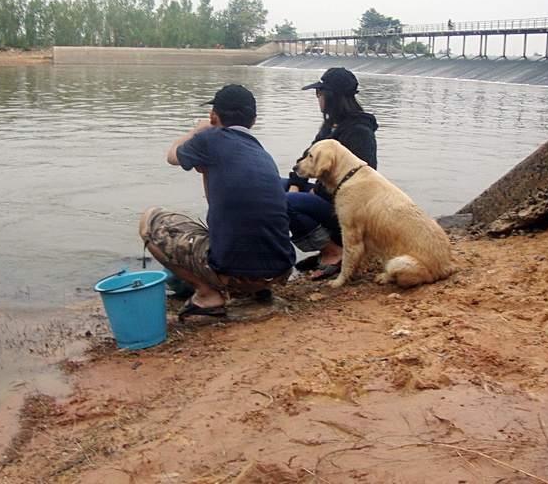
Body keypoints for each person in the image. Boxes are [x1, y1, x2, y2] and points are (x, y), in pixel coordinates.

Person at [140, 84, 296, 320]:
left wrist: (197, 130)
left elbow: (172, 156)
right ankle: (256, 294)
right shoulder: (261, 153)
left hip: (236, 276)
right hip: (280, 271)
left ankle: (207, 295)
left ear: (214, 116)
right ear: (253, 121)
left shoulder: (209, 138)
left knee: (149, 220)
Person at [285, 67, 378, 280]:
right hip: (326, 195)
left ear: (330, 95)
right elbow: (307, 159)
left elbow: (356, 182)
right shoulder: (331, 126)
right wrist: (295, 184)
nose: (317, 98)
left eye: (319, 93)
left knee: (287, 202)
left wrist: (315, 193)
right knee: (276, 189)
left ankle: (334, 251)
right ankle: (327, 246)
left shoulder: (359, 132)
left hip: (347, 206)